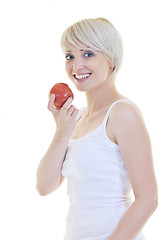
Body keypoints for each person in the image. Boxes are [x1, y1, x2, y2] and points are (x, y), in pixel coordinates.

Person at [36, 18, 158, 240]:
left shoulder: (122, 113)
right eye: (69, 56)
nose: (76, 65)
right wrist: (61, 132)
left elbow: (148, 198)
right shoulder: (77, 118)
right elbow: (44, 186)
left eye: (88, 54)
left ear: (110, 60)